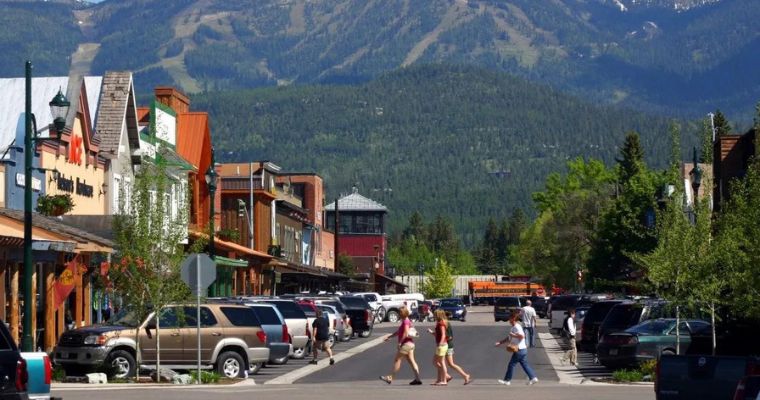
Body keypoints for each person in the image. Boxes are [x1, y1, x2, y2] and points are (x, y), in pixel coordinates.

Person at [379, 306, 422, 385]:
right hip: (411, 344)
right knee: (412, 361)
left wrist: (400, 343)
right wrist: (390, 336)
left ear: (402, 313)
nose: (398, 313)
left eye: (399, 312)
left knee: (397, 360)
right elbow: (399, 332)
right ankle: (417, 379)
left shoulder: (406, 321)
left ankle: (390, 377)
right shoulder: (405, 321)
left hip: (406, 344)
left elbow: (405, 333)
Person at [495, 312, 538, 386]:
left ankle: (507, 380)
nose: (509, 320)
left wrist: (513, 335)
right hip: (523, 349)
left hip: (519, 349)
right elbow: (509, 338)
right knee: (524, 364)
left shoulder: (517, 327)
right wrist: (500, 342)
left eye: (510, 319)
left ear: (513, 319)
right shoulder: (514, 327)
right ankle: (533, 378)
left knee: (511, 364)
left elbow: (522, 336)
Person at [438, 311, 472, 385]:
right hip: (447, 344)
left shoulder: (445, 324)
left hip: (447, 345)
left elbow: (449, 336)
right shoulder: (446, 323)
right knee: (442, 362)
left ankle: (465, 375)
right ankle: (444, 377)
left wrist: (442, 341)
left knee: (450, 363)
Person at [427, 309, 449, 386]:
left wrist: (440, 343)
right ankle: (439, 379)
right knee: (437, 362)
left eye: (435, 314)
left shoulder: (441, 324)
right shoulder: (439, 323)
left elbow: (443, 335)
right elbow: (438, 335)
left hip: (442, 345)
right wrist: (431, 332)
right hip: (442, 345)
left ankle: (444, 379)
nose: (434, 315)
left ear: (438, 315)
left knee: (440, 362)